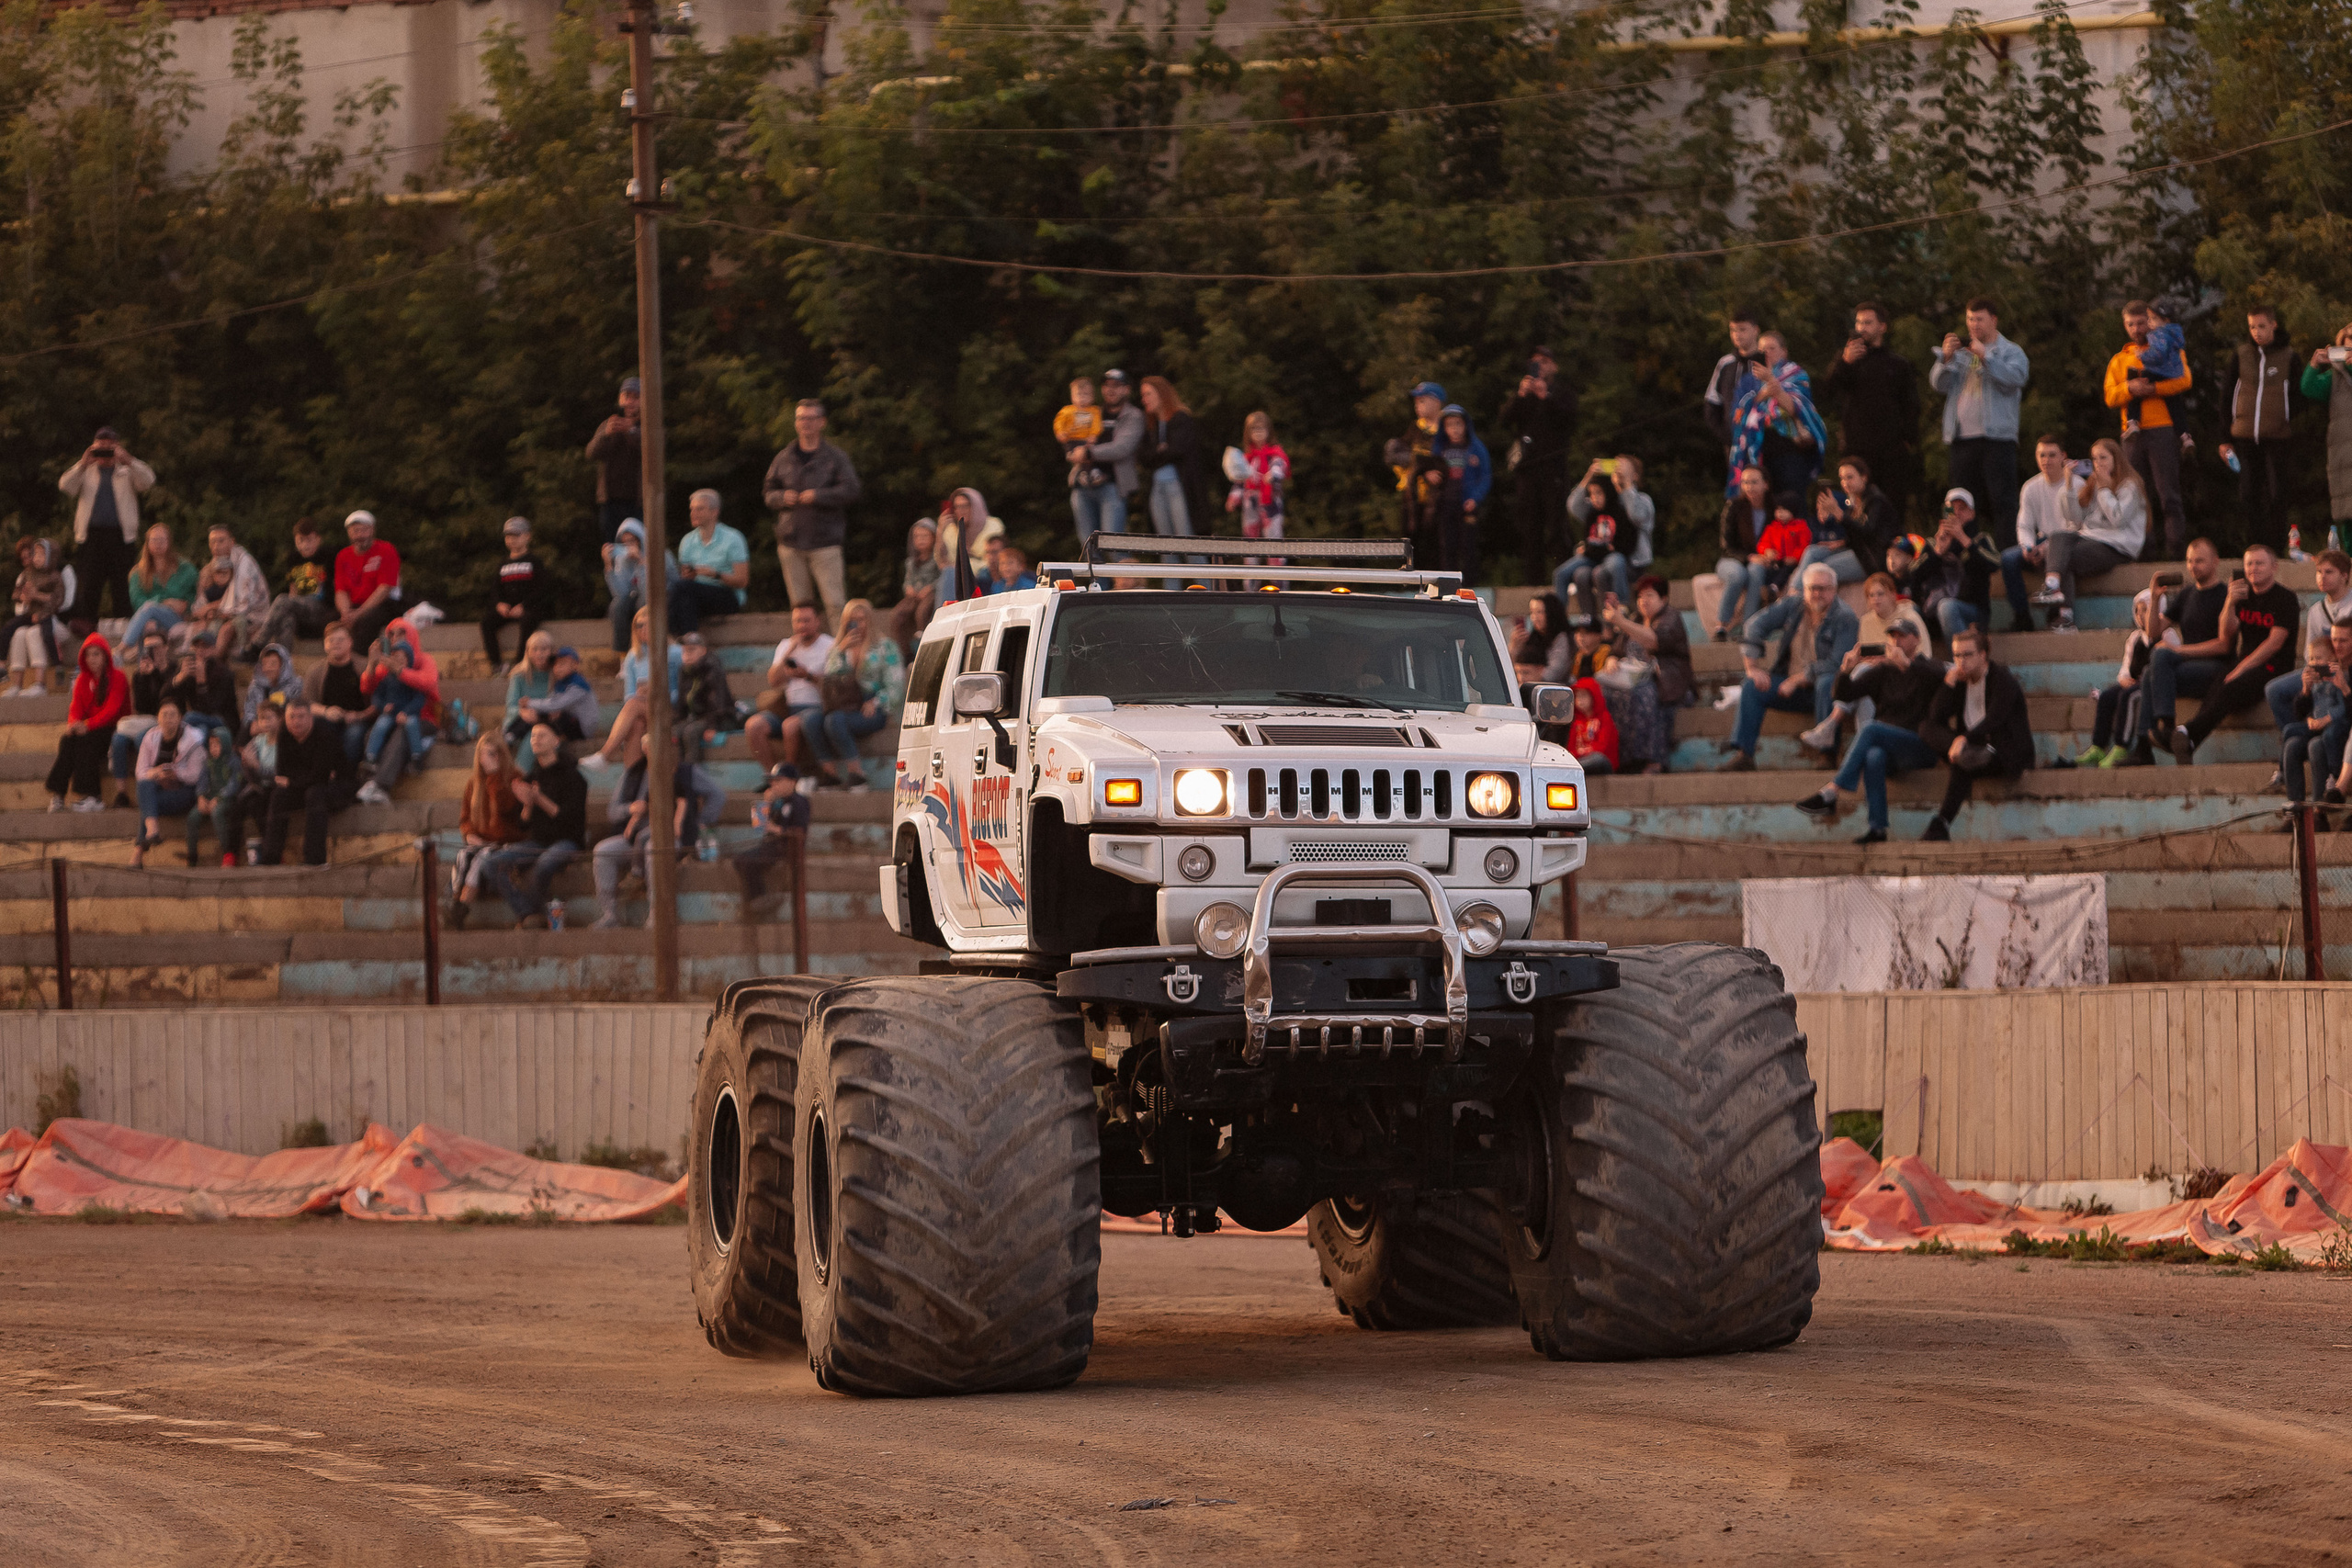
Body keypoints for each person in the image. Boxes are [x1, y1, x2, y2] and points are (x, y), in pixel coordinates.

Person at [1794, 616, 1946, 843]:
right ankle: (1877, 828)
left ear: (1916, 639)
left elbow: (1941, 682)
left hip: (1920, 744)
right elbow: (1844, 695)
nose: (1896, 641)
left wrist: (1907, 665)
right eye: (1892, 636)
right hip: (1890, 747)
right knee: (1874, 756)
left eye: (1902, 636)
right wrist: (1846, 670)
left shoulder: (1929, 666)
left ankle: (1833, 791)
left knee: (1871, 729)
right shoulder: (1883, 671)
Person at [1718, 562, 1860, 772]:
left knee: (1827, 680)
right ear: (1804, 590)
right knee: (1752, 686)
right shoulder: (1794, 605)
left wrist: (1797, 679)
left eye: (1824, 588)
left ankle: (1827, 754)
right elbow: (1755, 625)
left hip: (1823, 693)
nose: (1818, 594)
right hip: (1789, 688)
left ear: (1834, 590)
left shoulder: (1845, 618)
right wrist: (1752, 668)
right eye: (1813, 588)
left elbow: (1837, 663)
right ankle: (1744, 755)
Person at [2166, 541, 2299, 763]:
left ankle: (2187, 731)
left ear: (2274, 567)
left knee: (2231, 686)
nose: (2253, 569)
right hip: (2244, 661)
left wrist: (2241, 668)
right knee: (2217, 685)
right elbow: (2225, 633)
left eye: (2259, 564)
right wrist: (2229, 602)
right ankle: (2189, 740)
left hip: (2273, 666)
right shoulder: (2242, 595)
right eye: (2249, 564)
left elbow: (2274, 644)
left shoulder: (2285, 598)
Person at [1928, 297, 2030, 548]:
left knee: (2002, 500)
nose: (1974, 325)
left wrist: (1986, 356)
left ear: (1993, 320)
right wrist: (1947, 359)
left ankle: (2007, 554)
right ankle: (1966, 554)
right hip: (1962, 438)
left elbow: (2016, 379)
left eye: (1980, 319)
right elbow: (1937, 385)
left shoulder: (2011, 351)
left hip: (1997, 438)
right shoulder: (1962, 352)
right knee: (1961, 502)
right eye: (1970, 319)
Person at [1917, 626, 2034, 840]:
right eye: (1957, 655)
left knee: (1963, 761)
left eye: (1968, 654)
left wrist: (1963, 739)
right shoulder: (1961, 683)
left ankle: (1941, 823)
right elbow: (1935, 718)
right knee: (1926, 728)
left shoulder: (2002, 680)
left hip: (2002, 752)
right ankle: (1940, 825)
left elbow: (1995, 720)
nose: (1962, 661)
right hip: (1972, 750)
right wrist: (1948, 683)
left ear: (1983, 655)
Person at [2127, 539, 2234, 765]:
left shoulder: (2225, 594)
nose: (2193, 566)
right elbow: (2153, 632)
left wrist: (2178, 651)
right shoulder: (2186, 595)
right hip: (2189, 670)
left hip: (2216, 669)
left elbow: (2224, 645)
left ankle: (2166, 725)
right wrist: (2155, 598)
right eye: (2189, 561)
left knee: (2163, 654)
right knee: (2148, 671)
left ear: (2215, 562)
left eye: (2199, 561)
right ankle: (2143, 747)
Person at [1815, 301, 1921, 526]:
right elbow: (1826, 392)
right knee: (1855, 505)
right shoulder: (1847, 360)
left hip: (1890, 450)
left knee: (1892, 506)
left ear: (1882, 327)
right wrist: (1844, 362)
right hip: (1857, 448)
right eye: (1859, 322)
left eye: (1868, 322)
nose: (1862, 327)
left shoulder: (1897, 364)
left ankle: (1894, 555)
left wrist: (1907, 439)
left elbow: (1911, 405)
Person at [763, 399, 864, 628]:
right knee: (800, 608)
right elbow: (768, 492)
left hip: (825, 542)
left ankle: (841, 656)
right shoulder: (783, 457)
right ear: (796, 423)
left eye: (810, 418)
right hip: (791, 542)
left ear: (822, 422)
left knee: (835, 604)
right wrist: (781, 498)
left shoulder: (835, 457)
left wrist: (819, 496)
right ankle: (805, 657)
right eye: (801, 418)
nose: (805, 423)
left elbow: (852, 489)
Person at [2106, 299, 2193, 557]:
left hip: (2162, 428)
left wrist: (2152, 389)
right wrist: (2129, 388)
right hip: (2131, 435)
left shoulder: (2168, 348)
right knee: (2135, 497)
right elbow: (2110, 396)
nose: (2136, 328)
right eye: (2130, 324)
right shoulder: (2120, 359)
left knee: (2168, 495)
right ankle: (2144, 553)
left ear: (2151, 321)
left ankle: (2176, 553)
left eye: (2141, 322)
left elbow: (2184, 380)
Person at [484, 723, 589, 928]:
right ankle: (527, 913)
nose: (535, 739)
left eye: (541, 735)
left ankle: (532, 916)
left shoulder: (573, 776)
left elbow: (569, 818)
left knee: (544, 865)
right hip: (538, 841)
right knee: (491, 863)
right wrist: (528, 805)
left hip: (566, 841)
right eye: (532, 736)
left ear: (556, 741)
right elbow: (523, 825)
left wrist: (538, 798)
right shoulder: (531, 778)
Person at [588, 750, 700, 930]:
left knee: (653, 847)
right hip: (641, 834)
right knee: (603, 850)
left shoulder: (684, 775)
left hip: (670, 837)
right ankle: (610, 915)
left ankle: (657, 914)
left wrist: (696, 824)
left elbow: (710, 797)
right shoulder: (635, 773)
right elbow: (613, 813)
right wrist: (630, 813)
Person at [2217, 306, 2298, 549]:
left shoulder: (2289, 356)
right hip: (2244, 436)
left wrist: (2289, 423)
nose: (2256, 332)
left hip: (2277, 437)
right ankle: (2254, 548)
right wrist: (2224, 438)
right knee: (2248, 494)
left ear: (2273, 325)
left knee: (2276, 494)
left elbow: (2296, 396)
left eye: (2261, 326)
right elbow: (2227, 395)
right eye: (2252, 327)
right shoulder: (2241, 355)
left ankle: (2275, 549)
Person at [58, 427, 154, 625]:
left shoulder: (126, 470)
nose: (104, 453)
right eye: (100, 447)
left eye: (109, 448)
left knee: (122, 584)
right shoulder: (86, 471)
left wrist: (129, 460)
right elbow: (65, 486)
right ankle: (86, 628)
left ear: (117, 447)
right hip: (91, 536)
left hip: (121, 536)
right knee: (89, 584)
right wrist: (82, 464)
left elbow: (148, 481)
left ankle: (124, 626)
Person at [807, 598, 904, 791]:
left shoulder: (885, 647)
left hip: (871, 705)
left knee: (834, 721)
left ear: (870, 620)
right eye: (852, 620)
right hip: (844, 704)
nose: (858, 624)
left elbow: (896, 686)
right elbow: (829, 681)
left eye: (862, 619)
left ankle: (857, 774)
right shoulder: (838, 647)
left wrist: (876, 702)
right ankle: (831, 774)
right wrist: (841, 652)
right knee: (810, 720)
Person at [2079, 588, 2180, 768]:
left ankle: (2121, 746)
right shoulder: (2134, 638)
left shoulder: (2168, 635)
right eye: (2139, 610)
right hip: (2134, 683)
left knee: (2129, 696)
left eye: (2146, 610)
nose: (2141, 615)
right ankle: (2098, 746)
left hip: (2152, 685)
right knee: (2108, 696)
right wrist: (2125, 680)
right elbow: (2125, 670)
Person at [1499, 348, 1577, 577]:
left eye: (1544, 362)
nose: (1540, 367)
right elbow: (1505, 421)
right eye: (1535, 363)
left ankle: (1563, 575)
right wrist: (1520, 396)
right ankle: (1533, 579)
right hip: (1527, 470)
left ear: (1554, 366)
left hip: (1554, 468)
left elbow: (1569, 420)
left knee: (1557, 525)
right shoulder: (1525, 395)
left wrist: (1547, 397)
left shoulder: (1562, 392)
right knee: (1530, 526)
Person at [1725, 331, 1826, 500]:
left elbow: (1797, 409)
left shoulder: (1796, 375)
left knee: (1791, 502)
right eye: (1762, 349)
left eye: (1771, 348)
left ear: (1784, 351)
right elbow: (1738, 415)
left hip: (1789, 450)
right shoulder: (1748, 380)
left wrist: (1773, 383)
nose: (1766, 353)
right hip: (1757, 451)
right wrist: (1762, 394)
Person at [1605, 575, 1693, 771]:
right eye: (1640, 596)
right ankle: (1622, 760)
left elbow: (1655, 640)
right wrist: (1612, 659)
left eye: (1650, 595)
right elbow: (1617, 649)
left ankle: (1654, 760)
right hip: (1632, 678)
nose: (1644, 600)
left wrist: (1621, 621)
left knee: (1645, 694)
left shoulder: (1671, 617)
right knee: (1607, 693)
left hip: (1666, 681)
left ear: (1664, 599)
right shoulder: (1637, 618)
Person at [2266, 549, 2352, 741]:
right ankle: (2300, 738)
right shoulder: (2315, 611)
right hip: (2322, 668)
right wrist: (2313, 672)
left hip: (2347, 669)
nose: (2322, 577)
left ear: (2344, 575)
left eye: (2329, 572)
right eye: (2319, 572)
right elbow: (2309, 651)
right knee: (2274, 690)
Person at [445, 733, 526, 931]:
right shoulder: (473, 783)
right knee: (463, 856)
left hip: (507, 841)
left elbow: (508, 811)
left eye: (494, 754)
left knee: (480, 861)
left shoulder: (515, 778)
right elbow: (465, 818)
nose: (489, 759)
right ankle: (455, 905)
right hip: (481, 840)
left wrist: (496, 779)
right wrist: (469, 834)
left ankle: (459, 909)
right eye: (485, 754)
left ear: (502, 755)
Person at [259, 698, 356, 866]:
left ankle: (314, 860)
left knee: (315, 794)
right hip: (307, 787)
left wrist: (293, 781)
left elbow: (319, 777)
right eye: (292, 717)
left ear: (311, 718)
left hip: (339, 787)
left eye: (301, 716)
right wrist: (297, 780)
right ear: (286, 719)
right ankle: (270, 857)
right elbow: (282, 774)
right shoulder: (284, 735)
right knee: (279, 795)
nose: (296, 721)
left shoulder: (324, 736)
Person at [590, 606, 684, 771]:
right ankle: (632, 783)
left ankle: (605, 755)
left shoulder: (676, 652)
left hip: (672, 708)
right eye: (639, 625)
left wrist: (658, 693)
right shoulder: (633, 656)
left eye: (648, 624)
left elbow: (684, 690)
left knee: (634, 707)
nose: (643, 629)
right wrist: (641, 695)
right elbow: (629, 695)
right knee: (636, 724)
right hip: (644, 708)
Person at [744, 602, 832, 773]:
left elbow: (832, 686)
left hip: (818, 708)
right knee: (753, 725)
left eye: (806, 621)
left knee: (790, 726)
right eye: (797, 621)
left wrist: (807, 676)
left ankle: (789, 776)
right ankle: (773, 776)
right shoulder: (786, 645)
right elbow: (773, 681)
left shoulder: (830, 645)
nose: (801, 626)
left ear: (817, 621)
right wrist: (788, 652)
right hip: (788, 708)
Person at [2000, 435, 2076, 632]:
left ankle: (2057, 612)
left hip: (2067, 542)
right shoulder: (2030, 487)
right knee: (2008, 559)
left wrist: (2047, 547)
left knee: (2058, 556)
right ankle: (2022, 617)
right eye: (2042, 455)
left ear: (2063, 457)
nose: (2046, 460)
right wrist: (2027, 546)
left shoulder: (2076, 485)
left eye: (2052, 455)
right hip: (2040, 540)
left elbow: (2076, 527)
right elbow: (2024, 525)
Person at [45, 633, 127, 812]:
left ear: (105, 656)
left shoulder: (118, 677)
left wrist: (87, 725)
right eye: (88, 655)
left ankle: (93, 797)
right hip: (91, 728)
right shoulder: (82, 679)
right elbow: (75, 708)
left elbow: (111, 712)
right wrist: (73, 724)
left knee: (86, 740)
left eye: (96, 654)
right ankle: (58, 795)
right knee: (67, 740)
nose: (92, 659)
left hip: (114, 728)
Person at [1138, 376, 1208, 570]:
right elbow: (1144, 457)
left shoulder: (1181, 418)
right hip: (1157, 489)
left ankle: (1206, 595)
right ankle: (1170, 596)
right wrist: (1161, 450)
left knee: (1187, 544)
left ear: (1162, 394)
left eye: (1148, 394)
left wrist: (1161, 452)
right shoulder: (1150, 426)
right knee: (1165, 549)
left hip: (1178, 487)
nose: (1144, 399)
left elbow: (1177, 450)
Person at [1075, 369, 1145, 552]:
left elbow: (1121, 448)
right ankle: (1096, 583)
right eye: (1106, 385)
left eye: (1116, 386)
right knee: (1088, 550)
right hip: (1082, 486)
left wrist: (1088, 452)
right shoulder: (1092, 412)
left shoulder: (1134, 415)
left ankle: (1122, 580)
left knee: (1112, 547)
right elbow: (1074, 436)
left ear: (1127, 390)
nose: (1110, 390)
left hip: (1112, 487)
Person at [2279, 634, 2349, 815]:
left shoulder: (2341, 676)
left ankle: (2320, 810)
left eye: (2319, 658)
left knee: (2316, 745)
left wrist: (2343, 688)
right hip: (2316, 725)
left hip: (2337, 729)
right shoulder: (2315, 680)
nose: (2314, 662)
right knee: (2291, 741)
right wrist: (2305, 690)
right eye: (2311, 659)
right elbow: (2302, 711)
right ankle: (2295, 810)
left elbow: (2344, 709)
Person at [127, 701, 202, 868]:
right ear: (158, 718)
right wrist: (157, 773)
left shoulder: (193, 739)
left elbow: (196, 775)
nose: (168, 719)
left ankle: (138, 852)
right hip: (160, 789)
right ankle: (152, 829)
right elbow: (141, 772)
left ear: (181, 718)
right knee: (145, 787)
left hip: (185, 791)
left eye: (172, 714)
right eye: (164, 714)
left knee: (148, 806)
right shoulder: (150, 737)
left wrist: (176, 774)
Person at [732, 762, 812, 918]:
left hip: (787, 847)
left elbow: (800, 831)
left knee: (746, 861)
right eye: (773, 781)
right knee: (740, 860)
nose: (774, 784)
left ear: (792, 781)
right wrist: (766, 803)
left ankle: (760, 900)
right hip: (771, 845)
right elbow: (759, 825)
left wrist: (775, 829)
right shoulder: (778, 801)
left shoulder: (799, 801)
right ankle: (758, 899)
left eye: (779, 780)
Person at [103, 630, 174, 805]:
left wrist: (155, 675)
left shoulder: (173, 670)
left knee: (142, 739)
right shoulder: (140, 674)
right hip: (144, 719)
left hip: (165, 721)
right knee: (118, 739)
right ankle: (122, 793)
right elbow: (141, 707)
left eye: (156, 647)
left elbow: (166, 702)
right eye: (148, 647)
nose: (153, 651)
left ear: (166, 648)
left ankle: (147, 787)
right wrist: (144, 677)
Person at [1918, 489, 1998, 643]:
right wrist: (1937, 553)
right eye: (1951, 509)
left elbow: (1994, 564)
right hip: (1931, 612)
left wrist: (1964, 539)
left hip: (1972, 612)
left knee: (1947, 607)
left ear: (1972, 514)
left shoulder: (1980, 539)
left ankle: (1962, 660)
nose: (1956, 513)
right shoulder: (1932, 543)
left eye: (1962, 509)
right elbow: (1914, 575)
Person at [668, 489, 751, 635]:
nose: (693, 513)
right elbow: (686, 580)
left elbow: (742, 581)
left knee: (682, 589)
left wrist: (715, 574)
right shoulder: (687, 541)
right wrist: (690, 574)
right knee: (685, 598)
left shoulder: (733, 539)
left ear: (714, 512)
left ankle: (670, 637)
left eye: (700, 509)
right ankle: (691, 639)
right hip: (696, 593)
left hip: (726, 594)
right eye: (692, 509)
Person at [1799, 457, 1893, 586]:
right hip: (1855, 550)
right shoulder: (1853, 501)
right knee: (1813, 552)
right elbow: (1854, 533)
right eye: (1842, 478)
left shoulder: (1875, 501)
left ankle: (1796, 599)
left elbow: (1868, 533)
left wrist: (1838, 513)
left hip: (1871, 557)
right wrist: (1842, 542)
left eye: (1850, 477)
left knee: (1823, 569)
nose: (1845, 483)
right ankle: (1793, 592)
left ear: (1864, 477)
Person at [186, 525, 269, 663]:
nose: (216, 546)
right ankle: (201, 664)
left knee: (225, 630)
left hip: (253, 615)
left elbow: (241, 606)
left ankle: (211, 666)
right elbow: (201, 605)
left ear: (232, 541)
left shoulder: (244, 564)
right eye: (212, 541)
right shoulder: (213, 565)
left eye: (221, 540)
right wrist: (205, 612)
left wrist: (211, 610)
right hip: (228, 613)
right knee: (206, 627)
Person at [2301, 322, 2352, 547]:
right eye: (2347, 345)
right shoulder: (2334, 376)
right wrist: (2313, 365)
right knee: (2348, 521)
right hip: (2343, 459)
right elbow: (2309, 388)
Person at [1385, 381, 1449, 558]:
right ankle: (1410, 583)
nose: (1417, 405)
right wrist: (1418, 470)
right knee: (1411, 546)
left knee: (1435, 546)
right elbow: (1396, 458)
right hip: (1412, 497)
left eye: (1422, 400)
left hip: (1437, 499)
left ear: (1436, 402)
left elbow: (1451, 459)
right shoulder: (1415, 428)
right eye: (1416, 401)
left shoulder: (1447, 428)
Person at [1430, 404, 1492, 579]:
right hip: (1445, 503)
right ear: (1444, 428)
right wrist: (1429, 474)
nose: (1454, 429)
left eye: (1458, 424)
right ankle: (1448, 583)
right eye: (1450, 425)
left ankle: (1470, 584)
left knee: (1468, 546)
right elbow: (1428, 467)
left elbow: (1486, 477)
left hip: (1467, 504)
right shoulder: (1439, 448)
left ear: (1466, 425)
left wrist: (1476, 498)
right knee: (1447, 545)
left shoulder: (1476, 448)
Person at [1713, 464, 1775, 636]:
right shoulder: (1734, 506)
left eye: (1754, 482)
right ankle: (1722, 625)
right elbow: (1726, 547)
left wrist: (1769, 554)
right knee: (1738, 576)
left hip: (1760, 561)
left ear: (1766, 484)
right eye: (1745, 482)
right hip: (1732, 559)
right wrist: (1749, 557)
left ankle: (1749, 624)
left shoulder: (1774, 509)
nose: (1749, 487)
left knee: (1756, 570)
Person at [4, 537, 70, 696]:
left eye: (35, 555)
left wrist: (36, 596)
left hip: (56, 622)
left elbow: (61, 602)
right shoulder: (28, 575)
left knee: (33, 633)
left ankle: (40, 684)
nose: (32, 559)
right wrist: (25, 597)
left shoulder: (61, 573)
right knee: (18, 634)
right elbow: (19, 599)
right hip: (33, 618)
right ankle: (16, 684)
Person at [258, 517, 334, 653]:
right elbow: (293, 589)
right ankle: (282, 659)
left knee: (282, 599)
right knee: (288, 618)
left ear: (318, 539)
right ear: (295, 540)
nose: (305, 545)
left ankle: (258, 643)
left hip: (321, 607)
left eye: (309, 540)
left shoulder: (328, 556)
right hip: (299, 606)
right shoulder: (293, 558)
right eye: (301, 541)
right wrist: (292, 606)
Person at [482, 516, 549, 671]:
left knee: (528, 621)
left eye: (516, 535)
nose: (511, 540)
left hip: (529, 608)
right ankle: (496, 664)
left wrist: (524, 605)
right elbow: (495, 588)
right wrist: (499, 604)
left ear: (528, 536)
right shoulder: (503, 563)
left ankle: (520, 662)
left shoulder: (534, 561)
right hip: (508, 608)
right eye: (508, 536)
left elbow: (542, 588)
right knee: (487, 623)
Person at [1556, 468, 1632, 605]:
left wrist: (1609, 548)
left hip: (1610, 556)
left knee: (1617, 563)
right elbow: (1573, 504)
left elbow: (1626, 543)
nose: (1594, 498)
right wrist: (1589, 474)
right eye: (1591, 494)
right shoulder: (1590, 513)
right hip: (1591, 557)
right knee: (1560, 574)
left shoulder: (1620, 512)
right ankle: (1559, 616)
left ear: (1607, 492)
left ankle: (1622, 605)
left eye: (1598, 493)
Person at [331, 510, 403, 653]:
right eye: (356, 531)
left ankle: (358, 661)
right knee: (330, 620)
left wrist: (358, 614)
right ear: (349, 533)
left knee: (367, 621)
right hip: (354, 605)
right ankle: (335, 659)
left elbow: (384, 589)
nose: (360, 535)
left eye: (364, 530)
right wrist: (346, 614)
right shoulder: (343, 556)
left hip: (383, 604)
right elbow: (340, 591)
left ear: (372, 530)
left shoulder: (386, 550)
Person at [603, 515, 675, 654]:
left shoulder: (660, 554)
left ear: (641, 539)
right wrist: (608, 566)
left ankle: (647, 651)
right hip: (639, 597)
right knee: (617, 606)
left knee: (642, 603)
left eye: (632, 541)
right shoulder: (623, 561)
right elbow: (620, 593)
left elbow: (651, 589)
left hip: (664, 596)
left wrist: (642, 563)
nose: (629, 546)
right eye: (624, 543)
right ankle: (623, 655)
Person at [119, 524, 196, 654]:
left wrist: (186, 606)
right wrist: (164, 602)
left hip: (178, 618)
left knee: (150, 608)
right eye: (154, 540)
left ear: (169, 542)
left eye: (162, 540)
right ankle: (144, 669)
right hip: (149, 618)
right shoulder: (137, 573)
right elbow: (137, 602)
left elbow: (194, 594)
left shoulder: (185, 569)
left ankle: (123, 648)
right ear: (147, 543)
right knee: (150, 623)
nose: (158, 544)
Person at [586, 376, 643, 546]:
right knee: (611, 548)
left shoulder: (649, 425)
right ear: (620, 399)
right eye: (627, 396)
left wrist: (631, 431)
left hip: (638, 502)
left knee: (638, 547)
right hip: (610, 502)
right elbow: (591, 453)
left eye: (636, 397)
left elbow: (651, 451)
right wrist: (606, 435)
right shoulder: (609, 424)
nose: (630, 401)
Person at [1702, 310, 1764, 463]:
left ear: (1755, 330)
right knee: (1739, 484)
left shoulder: (1767, 362)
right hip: (1733, 443)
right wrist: (1726, 436)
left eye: (1742, 329)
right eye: (1733, 330)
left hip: (1764, 442)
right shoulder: (1725, 363)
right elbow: (1712, 403)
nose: (1737, 334)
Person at [1227, 411, 1289, 563]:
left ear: (1269, 431)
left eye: (1262, 428)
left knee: (1274, 542)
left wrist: (1273, 475)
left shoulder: (1275, 453)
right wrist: (1234, 498)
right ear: (1248, 433)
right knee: (1250, 543)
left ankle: (1279, 582)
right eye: (1254, 429)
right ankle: (1250, 583)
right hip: (1251, 503)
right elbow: (1240, 481)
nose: (1259, 432)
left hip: (1271, 502)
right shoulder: (1246, 457)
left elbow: (1280, 466)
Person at [185, 723, 245, 866]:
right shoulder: (209, 763)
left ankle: (227, 852)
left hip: (228, 799)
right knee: (193, 817)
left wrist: (219, 798)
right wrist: (201, 797)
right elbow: (202, 782)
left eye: (217, 744)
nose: (214, 748)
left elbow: (234, 784)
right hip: (210, 797)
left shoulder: (234, 762)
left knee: (217, 813)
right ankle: (192, 855)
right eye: (211, 745)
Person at [164, 632, 240, 745]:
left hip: (223, 721)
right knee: (200, 731)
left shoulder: (223, 673)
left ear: (213, 649)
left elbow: (211, 709)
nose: (200, 650)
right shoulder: (189, 667)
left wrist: (201, 683)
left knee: (190, 718)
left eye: (205, 646)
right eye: (197, 646)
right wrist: (180, 677)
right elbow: (165, 696)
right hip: (198, 721)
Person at [672, 631, 735, 765]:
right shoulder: (684, 671)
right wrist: (677, 721)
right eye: (684, 651)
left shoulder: (712, 668)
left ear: (703, 651)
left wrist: (713, 726)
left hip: (717, 717)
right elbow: (683, 701)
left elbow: (718, 699)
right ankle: (678, 774)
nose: (687, 655)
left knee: (691, 733)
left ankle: (693, 775)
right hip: (695, 717)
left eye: (692, 650)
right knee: (676, 732)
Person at [888, 519, 942, 657]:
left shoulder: (937, 559)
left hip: (930, 594)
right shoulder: (911, 562)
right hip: (914, 595)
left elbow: (941, 578)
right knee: (897, 615)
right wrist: (909, 588)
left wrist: (930, 588)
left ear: (934, 538)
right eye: (917, 537)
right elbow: (907, 581)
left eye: (925, 536)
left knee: (922, 612)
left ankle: (923, 642)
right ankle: (903, 651)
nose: (921, 540)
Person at [1753, 495, 1812, 604]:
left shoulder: (1801, 527)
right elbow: (1763, 543)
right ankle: (1765, 590)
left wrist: (1795, 557)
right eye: (1778, 510)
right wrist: (1767, 551)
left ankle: (1774, 588)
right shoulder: (1772, 528)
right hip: (1776, 560)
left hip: (1791, 563)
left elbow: (1804, 546)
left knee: (1785, 571)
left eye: (1784, 510)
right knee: (1770, 570)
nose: (1780, 513)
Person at [241, 642, 304, 733]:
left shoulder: (295, 685)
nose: (268, 668)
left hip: (285, 728)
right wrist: (255, 723)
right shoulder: (255, 686)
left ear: (283, 665)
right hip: (258, 727)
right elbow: (249, 712)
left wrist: (272, 724)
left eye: (273, 664)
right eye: (265, 664)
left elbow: (295, 712)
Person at [1512, 592, 1571, 684]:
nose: (1534, 617)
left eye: (1539, 612)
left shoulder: (1561, 638)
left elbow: (1553, 673)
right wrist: (1514, 648)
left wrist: (1532, 673)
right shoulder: (1532, 638)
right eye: (1532, 612)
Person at [1564, 678, 1618, 774]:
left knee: (1597, 758)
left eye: (1584, 696)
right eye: (1577, 696)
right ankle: (1573, 768)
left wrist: (1580, 753)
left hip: (1602, 762)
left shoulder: (1604, 718)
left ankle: (1572, 769)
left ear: (1594, 696)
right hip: (1583, 760)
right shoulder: (1577, 722)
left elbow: (1602, 748)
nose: (1580, 701)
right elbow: (1571, 747)